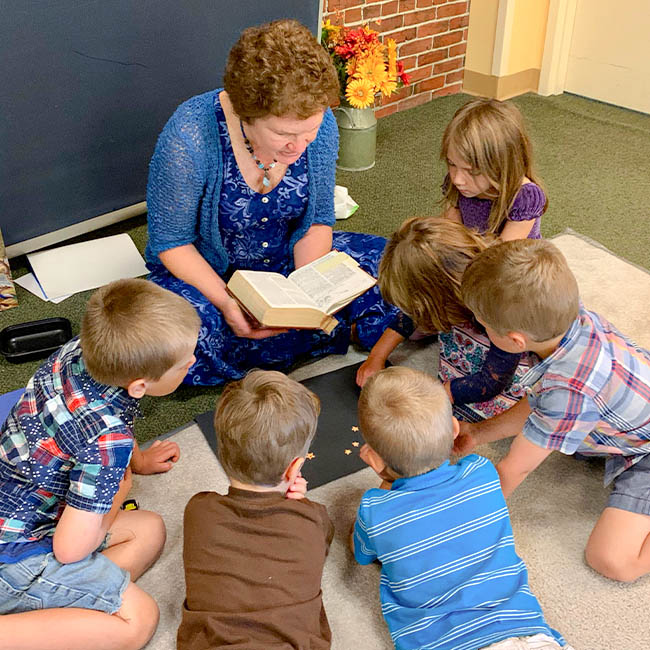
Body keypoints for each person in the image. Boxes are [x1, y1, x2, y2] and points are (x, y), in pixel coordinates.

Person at [145, 19, 398, 386]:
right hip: (211, 276)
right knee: (162, 338)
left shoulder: (322, 124)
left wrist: (308, 293)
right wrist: (229, 304)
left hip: (287, 262)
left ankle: (300, 333)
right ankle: (325, 334)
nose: (298, 147)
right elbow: (172, 244)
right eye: (283, 134)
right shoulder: (189, 135)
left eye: (308, 133)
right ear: (245, 112)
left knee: (400, 267)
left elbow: (317, 222)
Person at [0, 278, 201, 650]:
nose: (191, 363)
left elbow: (111, 419)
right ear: (139, 385)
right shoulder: (105, 440)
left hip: (20, 504)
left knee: (150, 529)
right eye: (183, 366)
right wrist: (114, 497)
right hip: (14, 555)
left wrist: (135, 460)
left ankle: (50, 610)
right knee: (138, 620)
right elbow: (70, 551)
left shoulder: (79, 351)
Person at [456, 239, 650, 583]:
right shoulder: (569, 320)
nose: (481, 328)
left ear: (516, 341)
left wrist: (464, 527)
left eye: (482, 323)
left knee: (611, 560)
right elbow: (540, 399)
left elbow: (514, 470)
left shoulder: (570, 389)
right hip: (628, 410)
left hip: (645, 450)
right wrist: (478, 433)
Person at [352, 366, 572, 650]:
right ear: (454, 430)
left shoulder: (375, 510)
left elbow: (362, 554)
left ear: (374, 460)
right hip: (525, 632)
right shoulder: (482, 471)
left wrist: (385, 480)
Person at [178, 370, 333, 649]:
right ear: (294, 468)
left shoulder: (197, 510)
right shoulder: (314, 519)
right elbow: (323, 542)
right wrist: (301, 506)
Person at [356, 217, 534, 422]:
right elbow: (411, 314)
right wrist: (376, 356)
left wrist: (434, 396)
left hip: (507, 366)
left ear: (444, 297)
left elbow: (490, 382)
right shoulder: (457, 281)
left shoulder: (501, 309)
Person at [441, 97, 547, 240]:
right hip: (474, 251)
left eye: (472, 171)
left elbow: (501, 255)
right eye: (452, 163)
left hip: (512, 259)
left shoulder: (524, 197)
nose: (457, 180)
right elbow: (452, 229)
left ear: (501, 166)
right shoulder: (459, 184)